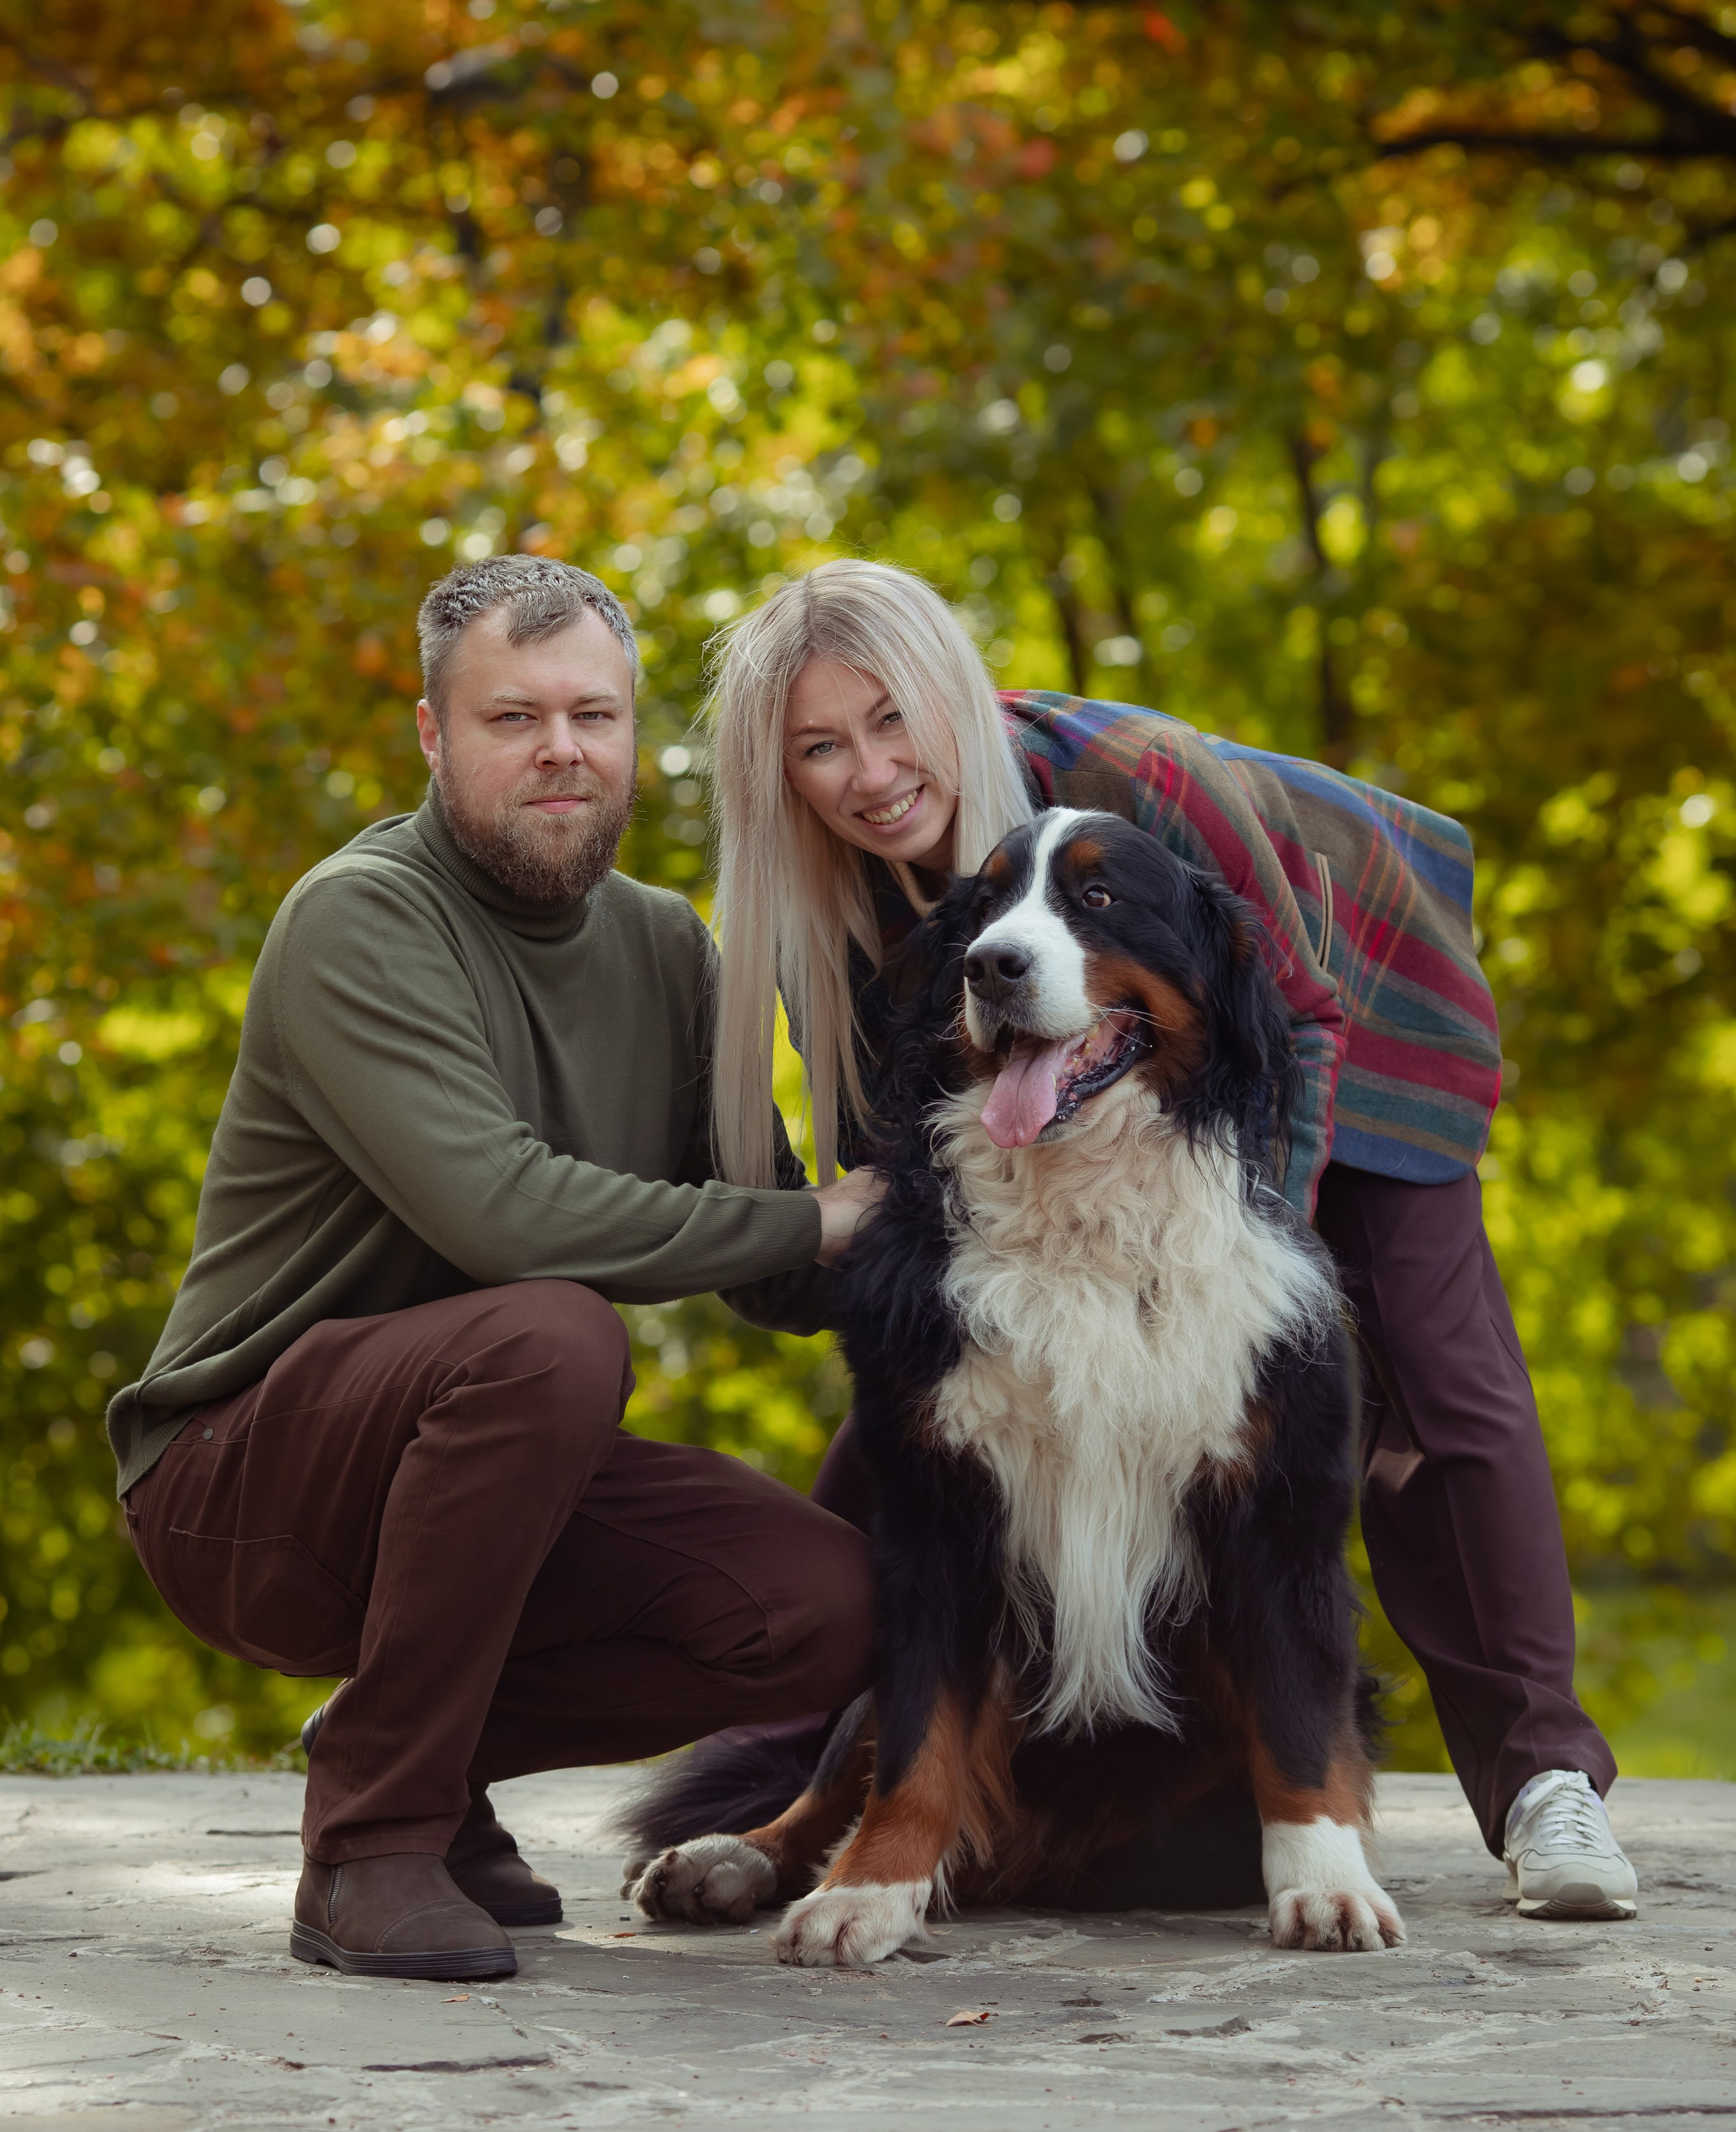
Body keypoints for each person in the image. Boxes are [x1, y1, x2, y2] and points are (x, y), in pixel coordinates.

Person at [703, 557, 1638, 1923]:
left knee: (1428, 1381)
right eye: (819, 749)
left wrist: (1235, 1281)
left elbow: (1296, 1018)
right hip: (1088, 1082)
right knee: (933, 1384)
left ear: (952, 696)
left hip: (1354, 992)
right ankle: (827, 1791)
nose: (870, 772)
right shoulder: (824, 910)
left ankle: (1547, 1786)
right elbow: (896, 1209)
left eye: (892, 719)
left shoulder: (1136, 775)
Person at [108, 555, 883, 1982]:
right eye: (511, 718)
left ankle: (417, 1766)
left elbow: (778, 1259)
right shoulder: (360, 916)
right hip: (243, 1479)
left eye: (593, 715)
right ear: (430, 736)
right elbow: (507, 1221)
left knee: (819, 1606)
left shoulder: (664, 947)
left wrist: (991, 1221)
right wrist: (811, 1224)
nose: (560, 752)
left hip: (493, 1477)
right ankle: (370, 1848)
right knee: (551, 1332)